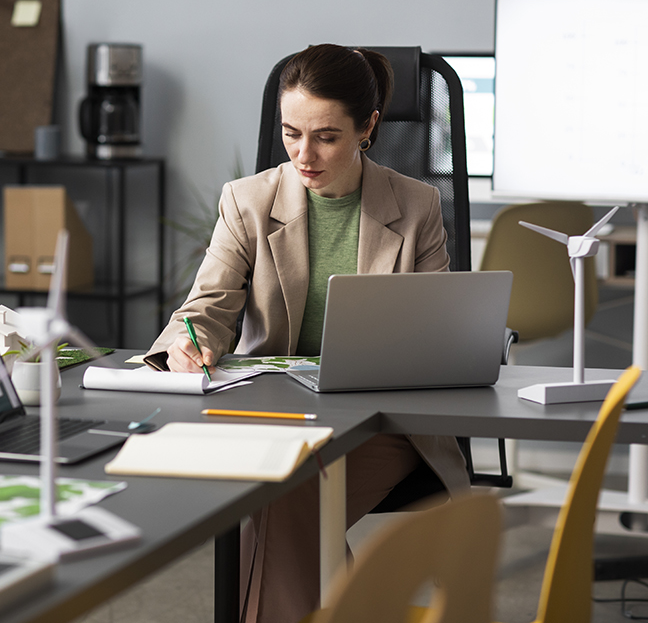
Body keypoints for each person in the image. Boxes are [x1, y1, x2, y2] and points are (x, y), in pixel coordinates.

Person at [144, 44, 469, 623]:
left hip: (379, 425)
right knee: (280, 494)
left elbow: (432, 333)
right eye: (291, 133)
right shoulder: (247, 201)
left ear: (367, 127)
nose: (303, 154)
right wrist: (189, 342)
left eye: (325, 137)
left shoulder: (416, 206)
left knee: (281, 495)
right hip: (275, 417)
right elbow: (208, 305)